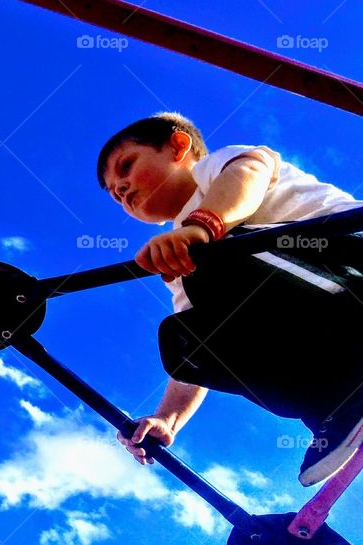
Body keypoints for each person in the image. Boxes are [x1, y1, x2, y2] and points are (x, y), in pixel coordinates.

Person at [96, 112, 363, 487]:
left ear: (177, 147)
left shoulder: (219, 167)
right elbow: (203, 350)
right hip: (320, 322)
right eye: (113, 192)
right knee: (184, 339)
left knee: (213, 259)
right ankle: (338, 404)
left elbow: (246, 180)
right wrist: (166, 419)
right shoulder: (182, 251)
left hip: (349, 262)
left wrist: (201, 227)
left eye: (126, 167)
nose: (121, 189)